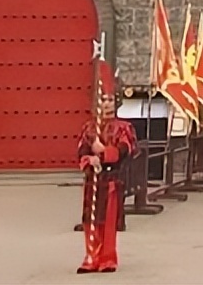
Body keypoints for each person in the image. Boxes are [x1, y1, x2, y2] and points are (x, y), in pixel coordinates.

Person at [77, 87, 137, 274]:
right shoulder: (89, 129)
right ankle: (91, 257)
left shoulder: (124, 128)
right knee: (91, 220)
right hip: (93, 180)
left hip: (112, 180)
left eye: (110, 100)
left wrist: (102, 154)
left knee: (108, 221)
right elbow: (81, 151)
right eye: (103, 100)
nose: (107, 104)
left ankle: (108, 258)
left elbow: (124, 150)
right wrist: (89, 160)